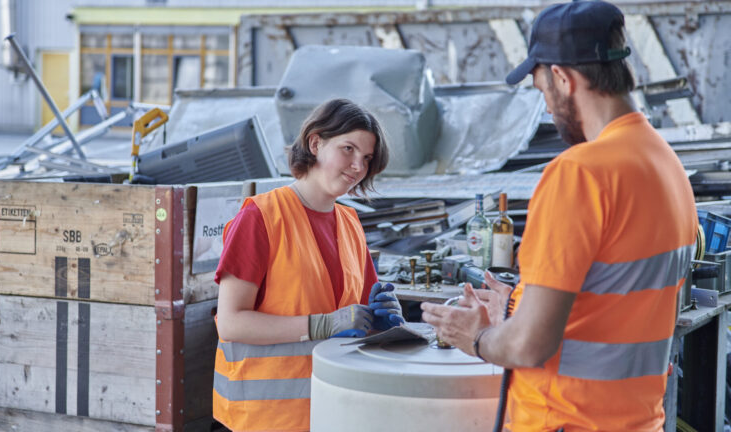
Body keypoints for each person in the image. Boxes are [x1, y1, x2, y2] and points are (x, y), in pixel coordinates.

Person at [421, 2, 697, 431]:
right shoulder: (665, 164)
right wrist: (517, 308)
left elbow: (530, 346)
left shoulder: (579, 173)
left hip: (566, 421)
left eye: (542, 89)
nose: (547, 107)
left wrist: (475, 336)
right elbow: (616, 305)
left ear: (564, 79)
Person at [212, 98, 404, 432]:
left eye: (367, 158)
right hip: (264, 421)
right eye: (348, 149)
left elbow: (354, 318)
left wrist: (383, 323)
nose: (358, 166)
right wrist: (322, 325)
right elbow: (231, 323)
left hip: (333, 411)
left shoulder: (350, 222)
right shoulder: (260, 217)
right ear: (315, 143)